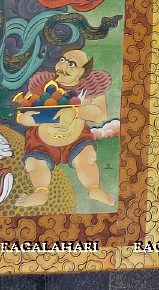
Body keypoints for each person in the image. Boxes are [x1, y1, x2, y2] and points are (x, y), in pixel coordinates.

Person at [13, 48, 115, 207]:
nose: (64, 66)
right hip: (43, 140)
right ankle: (40, 192)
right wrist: (42, 117)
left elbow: (100, 114)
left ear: (82, 71)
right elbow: (22, 115)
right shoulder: (43, 85)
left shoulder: (90, 88)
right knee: (34, 162)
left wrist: (74, 111)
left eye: (71, 64)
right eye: (62, 60)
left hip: (76, 138)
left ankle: (93, 188)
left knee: (86, 157)